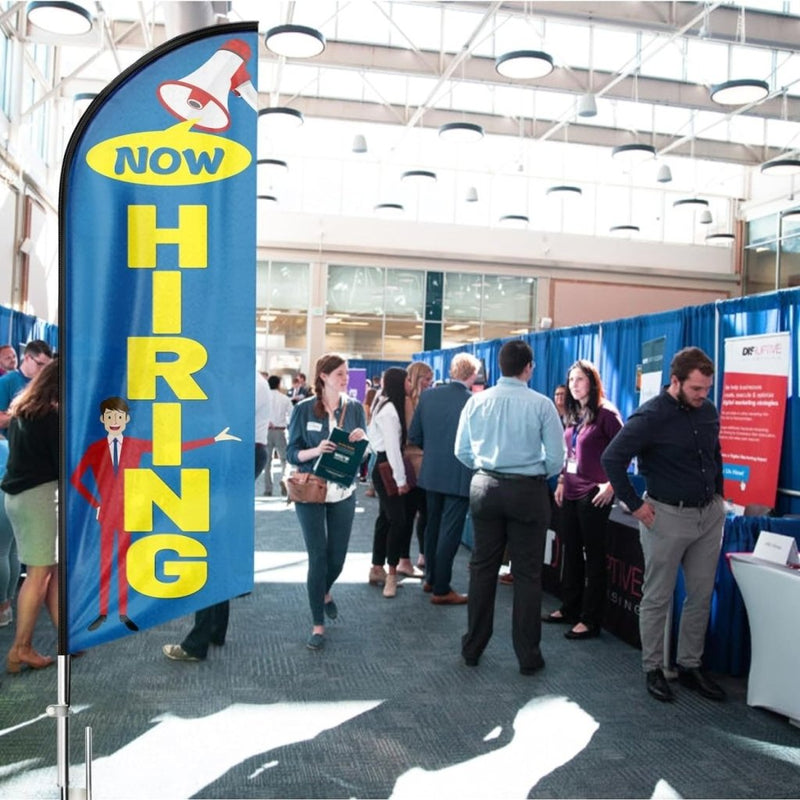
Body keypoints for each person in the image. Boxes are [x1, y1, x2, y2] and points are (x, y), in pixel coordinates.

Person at [601, 346, 727, 703]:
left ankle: (690, 666)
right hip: (666, 516)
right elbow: (612, 458)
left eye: (707, 389)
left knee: (701, 596)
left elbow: (714, 454)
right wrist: (636, 505)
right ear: (676, 382)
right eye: (696, 389)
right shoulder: (651, 415)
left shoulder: (708, 412)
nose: (703, 396)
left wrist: (719, 496)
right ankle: (653, 668)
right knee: (657, 597)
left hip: (708, 515)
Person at [71, 397, 240, 633]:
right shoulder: (96, 447)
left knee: (125, 561)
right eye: (110, 418)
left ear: (126, 420)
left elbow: (175, 448)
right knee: (105, 561)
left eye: (119, 418)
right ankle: (101, 612)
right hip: (107, 513)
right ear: (103, 420)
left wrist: (214, 439)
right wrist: (95, 502)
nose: (115, 422)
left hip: (130, 509)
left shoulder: (134, 444)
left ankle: (121, 612)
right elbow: (76, 478)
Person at [455, 339, 565, 674]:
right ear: (529, 367)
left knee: (482, 568)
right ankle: (528, 656)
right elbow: (556, 459)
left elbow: (461, 451)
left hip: (485, 486)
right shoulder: (542, 405)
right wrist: (531, 473)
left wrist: (488, 467)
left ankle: (473, 647)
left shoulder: (476, 401)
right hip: (527, 492)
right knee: (528, 574)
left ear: (498, 367)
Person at [162, 372, 267, 663]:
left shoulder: (228, 398)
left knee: (206, 554)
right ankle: (214, 631)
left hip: (218, 476)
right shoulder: (231, 399)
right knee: (216, 552)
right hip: (226, 474)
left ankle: (197, 642)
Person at [286, 354, 367, 650]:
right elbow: (292, 452)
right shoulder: (305, 410)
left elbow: (364, 452)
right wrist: (316, 451)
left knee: (337, 559)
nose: (345, 378)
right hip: (311, 488)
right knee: (318, 556)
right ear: (323, 376)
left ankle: (324, 591)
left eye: (346, 374)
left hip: (343, 489)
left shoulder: (355, 408)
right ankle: (317, 624)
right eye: (340, 374)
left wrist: (362, 443)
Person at [547, 360, 622, 640]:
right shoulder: (575, 413)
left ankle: (590, 620)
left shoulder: (607, 414)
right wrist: (562, 481)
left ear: (592, 381)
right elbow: (570, 453)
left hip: (594, 494)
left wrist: (611, 485)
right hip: (570, 490)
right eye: (571, 380)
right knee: (572, 552)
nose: (574, 385)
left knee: (594, 558)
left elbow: (625, 451)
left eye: (579, 379)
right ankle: (570, 608)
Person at [408, 353, 481, 605]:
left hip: (431, 472)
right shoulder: (473, 402)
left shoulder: (428, 396)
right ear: (473, 375)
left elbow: (414, 436)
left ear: (451, 371)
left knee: (432, 526)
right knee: (449, 531)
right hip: (460, 473)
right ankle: (441, 587)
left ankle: (430, 578)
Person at [1, 360, 59, 672]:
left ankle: (67, 639)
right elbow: (61, 463)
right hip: (38, 498)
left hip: (16, 496)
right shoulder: (51, 416)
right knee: (39, 574)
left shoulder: (22, 409)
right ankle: (20, 648)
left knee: (49, 569)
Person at [368, 367, 412, 598]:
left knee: (385, 518)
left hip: (383, 467)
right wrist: (401, 479)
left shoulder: (382, 402)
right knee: (398, 521)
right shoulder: (390, 411)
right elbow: (393, 450)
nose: (410, 384)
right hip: (387, 468)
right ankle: (391, 574)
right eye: (407, 380)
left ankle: (377, 567)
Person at [399, 360, 433, 575]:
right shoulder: (408, 402)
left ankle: (422, 554)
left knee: (425, 513)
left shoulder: (425, 400)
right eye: (426, 379)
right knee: (409, 513)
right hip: (411, 465)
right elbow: (412, 434)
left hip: (423, 465)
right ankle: (405, 559)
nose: (430, 383)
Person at [0, 340, 54, 430]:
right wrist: (26, 414)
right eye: (40, 364)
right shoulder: (5, 382)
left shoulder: (48, 384)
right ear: (27, 358)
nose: (43, 370)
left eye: (47, 367)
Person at [0, 438, 20, 628]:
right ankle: (6, 606)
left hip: (2, 493)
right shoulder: (7, 443)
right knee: (11, 551)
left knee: (1, 553)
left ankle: (2, 608)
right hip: (16, 494)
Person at [265, 375, 293, 496]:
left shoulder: (263, 398)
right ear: (278, 384)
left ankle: (268, 489)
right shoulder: (285, 399)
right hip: (280, 431)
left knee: (267, 462)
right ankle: (284, 479)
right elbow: (292, 415)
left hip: (266, 431)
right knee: (285, 460)